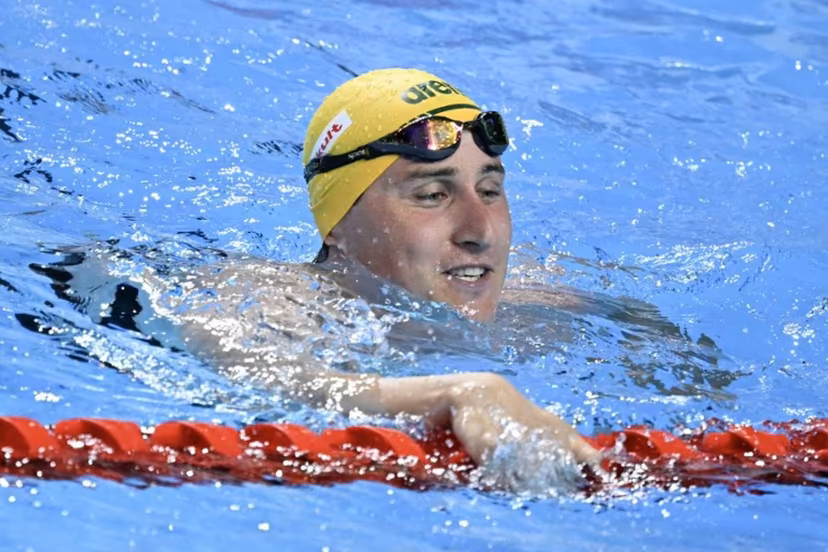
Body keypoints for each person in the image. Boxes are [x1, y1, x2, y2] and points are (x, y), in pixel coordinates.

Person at [41, 68, 601, 492]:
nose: (481, 231)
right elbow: (275, 378)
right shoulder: (262, 303)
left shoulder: (549, 304)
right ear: (335, 224)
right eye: (432, 194)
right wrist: (457, 391)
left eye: (490, 190)